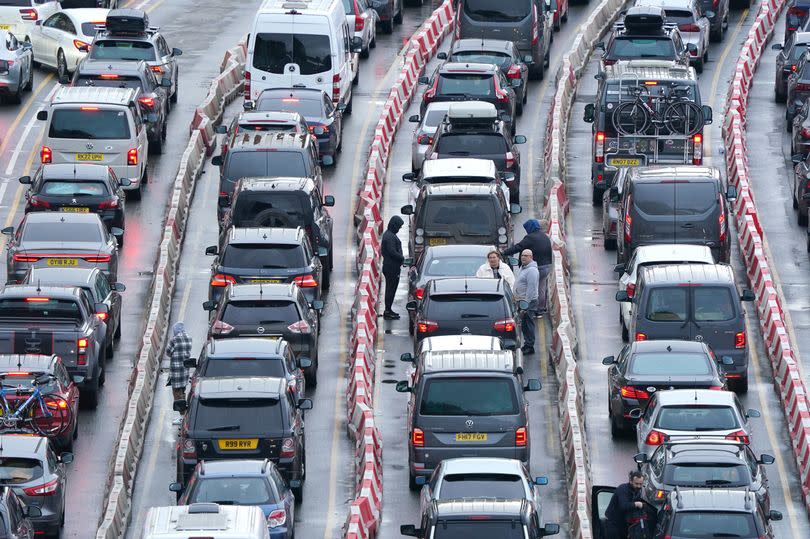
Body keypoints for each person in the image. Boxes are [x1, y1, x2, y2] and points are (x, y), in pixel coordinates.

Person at [502, 219, 552, 313]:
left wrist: (505, 252)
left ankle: (529, 308)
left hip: (536, 267)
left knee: (531, 289)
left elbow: (518, 247)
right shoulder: (544, 236)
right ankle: (541, 309)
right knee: (541, 288)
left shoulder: (530, 238)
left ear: (530, 227)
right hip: (546, 267)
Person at [604, 470, 645, 539]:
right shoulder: (623, 489)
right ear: (631, 481)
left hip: (624, 523)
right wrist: (636, 504)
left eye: (640, 484)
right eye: (636, 483)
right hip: (613, 523)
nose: (638, 486)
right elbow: (623, 506)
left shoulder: (637, 491)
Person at [513, 249, 539, 355]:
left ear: (531, 257)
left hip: (529, 302)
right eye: (522, 255)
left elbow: (531, 288)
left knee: (528, 324)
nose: (523, 257)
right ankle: (527, 344)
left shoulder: (532, 271)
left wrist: (526, 304)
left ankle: (530, 346)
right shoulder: (523, 267)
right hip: (521, 300)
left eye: (526, 256)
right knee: (524, 324)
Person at [381, 215, 405, 320]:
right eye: (398, 227)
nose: (399, 229)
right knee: (390, 289)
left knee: (391, 289)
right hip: (391, 268)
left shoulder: (389, 235)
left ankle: (389, 309)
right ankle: (388, 310)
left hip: (391, 267)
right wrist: (402, 258)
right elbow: (392, 252)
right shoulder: (390, 237)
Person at [166, 321, 192, 403]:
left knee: (176, 392)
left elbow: (168, 352)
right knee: (182, 390)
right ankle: (184, 407)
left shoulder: (174, 340)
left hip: (176, 372)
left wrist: (174, 355)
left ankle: (181, 409)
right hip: (185, 370)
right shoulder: (189, 338)